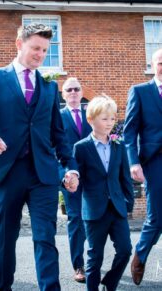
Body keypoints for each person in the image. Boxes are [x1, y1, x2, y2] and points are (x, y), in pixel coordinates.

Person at [0, 23, 79, 291]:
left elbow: (58, 133)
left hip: (43, 173)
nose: (41, 55)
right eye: (35, 49)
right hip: (8, 171)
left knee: (45, 237)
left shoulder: (49, 87)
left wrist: (70, 167)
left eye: (45, 50)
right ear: (19, 44)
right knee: (6, 238)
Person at [73, 95, 134, 291]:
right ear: (91, 120)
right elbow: (77, 181)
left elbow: (125, 178)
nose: (109, 123)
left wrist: (128, 203)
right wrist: (79, 208)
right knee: (95, 257)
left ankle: (109, 283)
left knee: (125, 250)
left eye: (112, 118)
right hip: (94, 210)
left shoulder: (119, 146)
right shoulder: (81, 148)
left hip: (117, 208)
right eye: (104, 118)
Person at [124, 47, 162, 286]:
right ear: (152, 64)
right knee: (157, 216)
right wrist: (133, 161)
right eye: (161, 62)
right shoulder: (140, 91)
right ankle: (140, 253)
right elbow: (129, 132)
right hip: (154, 161)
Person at [58, 77, 92, 283]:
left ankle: (94, 260)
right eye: (68, 89)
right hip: (70, 177)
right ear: (63, 94)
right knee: (76, 219)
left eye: (76, 89)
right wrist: (64, 173)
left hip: (93, 176)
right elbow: (53, 147)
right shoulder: (58, 117)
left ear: (81, 92)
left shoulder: (91, 114)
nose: (72, 92)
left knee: (95, 218)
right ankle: (78, 265)